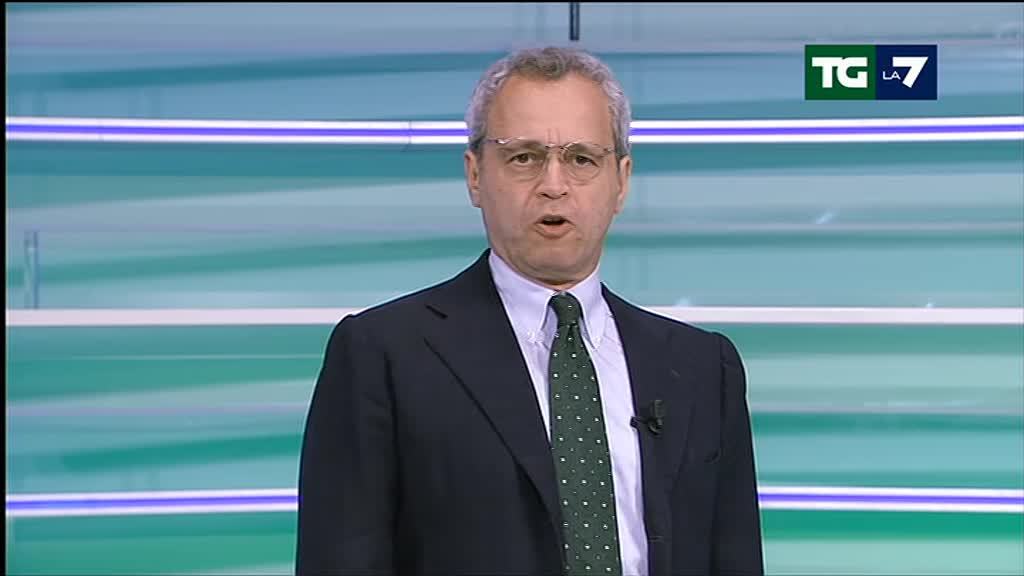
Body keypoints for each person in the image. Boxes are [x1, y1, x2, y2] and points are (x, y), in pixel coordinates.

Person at [296, 46, 763, 576]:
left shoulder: (703, 368)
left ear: (622, 181)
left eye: (582, 159)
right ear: (475, 174)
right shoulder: (383, 355)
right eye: (524, 157)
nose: (553, 185)